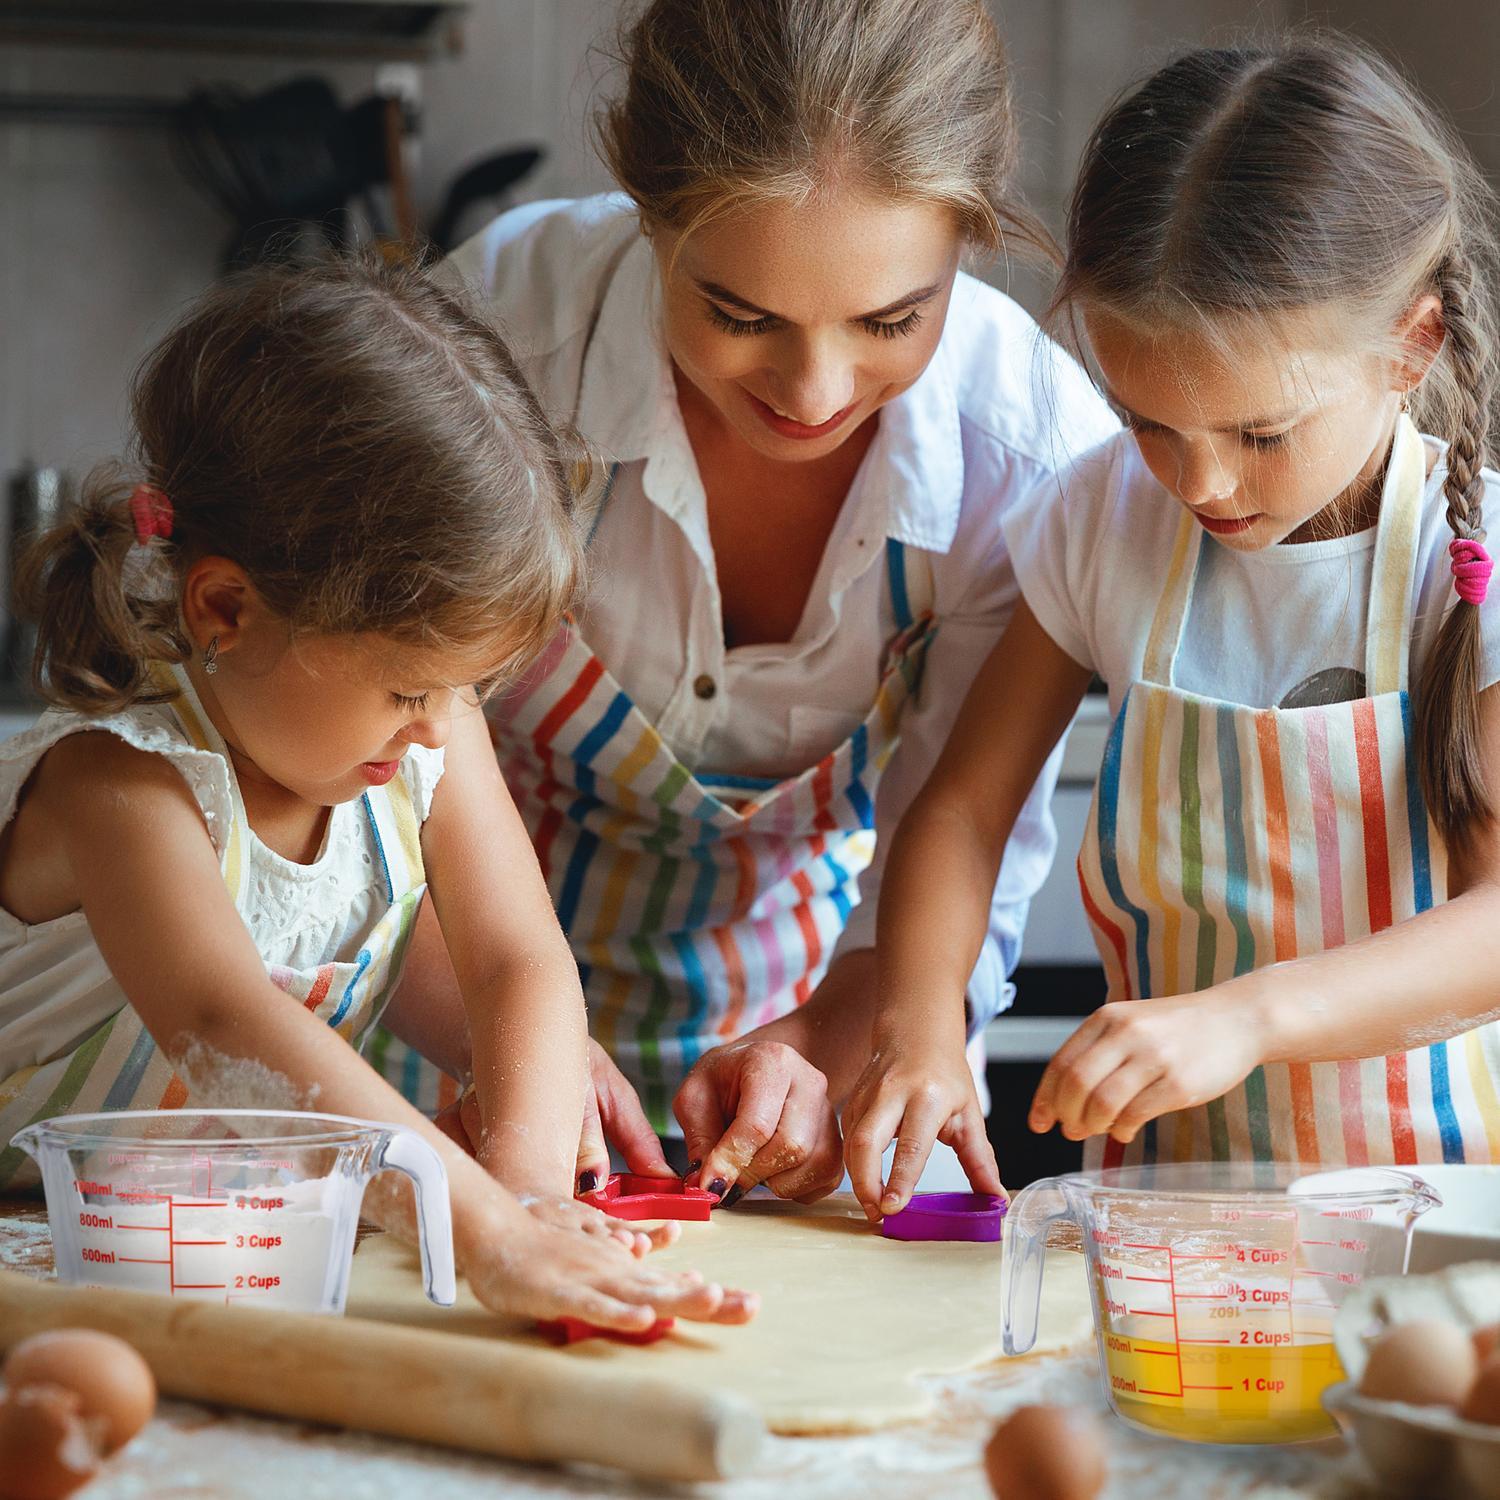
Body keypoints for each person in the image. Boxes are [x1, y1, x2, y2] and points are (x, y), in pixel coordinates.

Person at [383, 0, 1117, 1202]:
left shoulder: (1028, 457)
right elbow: (374, 759)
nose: (814, 391)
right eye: (739, 314)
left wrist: (816, 1058)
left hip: (825, 1002)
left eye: (892, 319)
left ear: (970, 241)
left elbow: (952, 854)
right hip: (444, 1006)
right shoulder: (494, 343)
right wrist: (516, 1047)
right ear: (647, 210)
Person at [0, 255, 754, 1333]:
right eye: (410, 685)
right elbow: (227, 1024)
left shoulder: (417, 734)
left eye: (466, 687)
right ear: (225, 607)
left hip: (197, 1264)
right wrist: (483, 1234)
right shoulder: (117, 790)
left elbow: (516, 962)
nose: (441, 722)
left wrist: (528, 1189)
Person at [849, 35, 1500, 1213]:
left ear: (1413, 343)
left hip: (1439, 1215)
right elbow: (958, 812)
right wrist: (920, 1029)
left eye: (1259, 435)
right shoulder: (1107, 520)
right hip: (1168, 1209)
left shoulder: (1472, 570)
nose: (1199, 485)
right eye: (1147, 419)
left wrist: (1250, 1018)